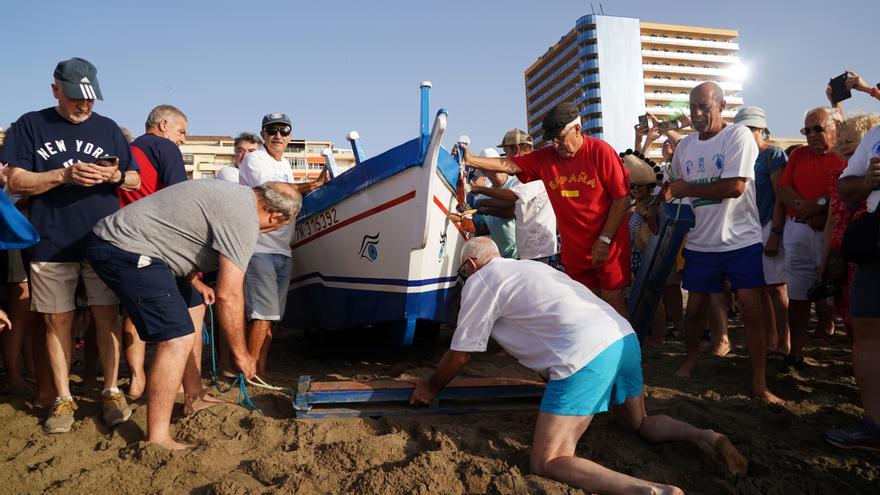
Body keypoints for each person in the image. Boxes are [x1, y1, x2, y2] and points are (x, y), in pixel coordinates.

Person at [410, 237, 747, 494]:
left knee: (548, 460)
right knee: (637, 423)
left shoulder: (481, 281)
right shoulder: (530, 267)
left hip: (585, 353)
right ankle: (705, 436)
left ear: (472, 263)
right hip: (621, 337)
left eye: (463, 272)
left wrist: (429, 386)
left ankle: (652, 491)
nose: (464, 278)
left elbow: (460, 354)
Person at [87, 179, 302, 449]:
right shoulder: (245, 219)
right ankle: (157, 438)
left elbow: (177, 231)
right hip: (123, 247)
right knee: (177, 337)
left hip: (150, 249)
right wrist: (241, 354)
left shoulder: (234, 196)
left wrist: (195, 281)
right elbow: (229, 294)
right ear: (275, 215)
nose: (268, 231)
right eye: (277, 227)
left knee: (195, 307)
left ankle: (194, 395)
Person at [1, 57, 141, 433]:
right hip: (51, 242)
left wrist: (114, 174)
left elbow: (133, 178)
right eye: (77, 97)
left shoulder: (108, 128)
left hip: (104, 239)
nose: (85, 105)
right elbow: (14, 181)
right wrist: (63, 174)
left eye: (91, 98)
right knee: (56, 320)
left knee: (105, 315)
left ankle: (112, 389)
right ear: (56, 89)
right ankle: (63, 398)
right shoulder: (31, 125)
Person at [668, 82, 783, 404]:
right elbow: (676, 188)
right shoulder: (685, 147)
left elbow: (734, 186)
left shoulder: (738, 136)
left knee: (751, 309)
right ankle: (691, 360)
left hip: (741, 241)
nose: (697, 114)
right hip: (701, 244)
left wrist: (686, 189)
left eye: (704, 107)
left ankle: (759, 381)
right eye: (692, 108)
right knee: (695, 313)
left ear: (721, 106)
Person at [460, 103, 631, 317]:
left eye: (560, 138)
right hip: (575, 250)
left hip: (608, 244)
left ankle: (628, 349)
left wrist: (604, 239)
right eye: (552, 140)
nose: (556, 144)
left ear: (577, 130)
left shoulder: (600, 151)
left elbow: (621, 197)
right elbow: (509, 164)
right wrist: (471, 159)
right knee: (588, 306)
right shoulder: (546, 157)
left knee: (613, 301)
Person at [117, 105, 217, 410]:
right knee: (193, 313)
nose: (183, 140)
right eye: (182, 131)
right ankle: (192, 393)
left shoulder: (126, 151)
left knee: (134, 315)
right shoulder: (164, 147)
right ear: (163, 125)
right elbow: (180, 201)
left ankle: (137, 380)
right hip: (161, 241)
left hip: (125, 241)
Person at [238, 113, 327, 378]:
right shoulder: (255, 160)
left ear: (290, 136)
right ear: (263, 134)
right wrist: (312, 185)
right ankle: (251, 373)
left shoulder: (287, 165)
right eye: (272, 130)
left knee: (272, 319)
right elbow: (274, 192)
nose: (278, 135)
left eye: (284, 131)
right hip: (260, 248)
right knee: (261, 316)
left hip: (283, 250)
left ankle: (260, 369)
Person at [825, 121, 880, 451]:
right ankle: (874, 424)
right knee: (866, 327)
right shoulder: (875, 136)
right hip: (876, 241)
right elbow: (845, 187)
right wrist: (869, 181)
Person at [777, 107, 846, 367]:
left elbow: (849, 192)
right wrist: (806, 210)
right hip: (799, 229)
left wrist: (818, 206)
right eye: (808, 130)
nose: (812, 135)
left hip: (834, 232)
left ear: (835, 126)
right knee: (797, 293)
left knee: (840, 294)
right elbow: (783, 188)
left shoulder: (847, 156)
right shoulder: (798, 156)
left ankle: (854, 353)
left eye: (818, 128)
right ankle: (795, 353)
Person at [733, 106, 790, 360]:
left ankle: (784, 342)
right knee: (758, 288)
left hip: (768, 223)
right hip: (748, 227)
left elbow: (781, 197)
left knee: (777, 288)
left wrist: (776, 233)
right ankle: (769, 339)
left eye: (750, 128)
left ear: (761, 129)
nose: (746, 132)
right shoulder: (741, 155)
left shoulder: (773, 154)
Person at [819, 114, 880, 333]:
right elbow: (831, 220)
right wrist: (823, 260)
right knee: (853, 315)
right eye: (842, 142)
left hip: (866, 245)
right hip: (847, 248)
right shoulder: (839, 176)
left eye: (851, 141)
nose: (845, 146)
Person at [471, 148, 519, 258]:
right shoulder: (484, 195)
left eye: (493, 167)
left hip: (519, 253)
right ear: (484, 173)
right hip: (499, 257)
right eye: (487, 169)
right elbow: (486, 227)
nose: (492, 171)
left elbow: (512, 210)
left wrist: (485, 207)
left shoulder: (515, 184)